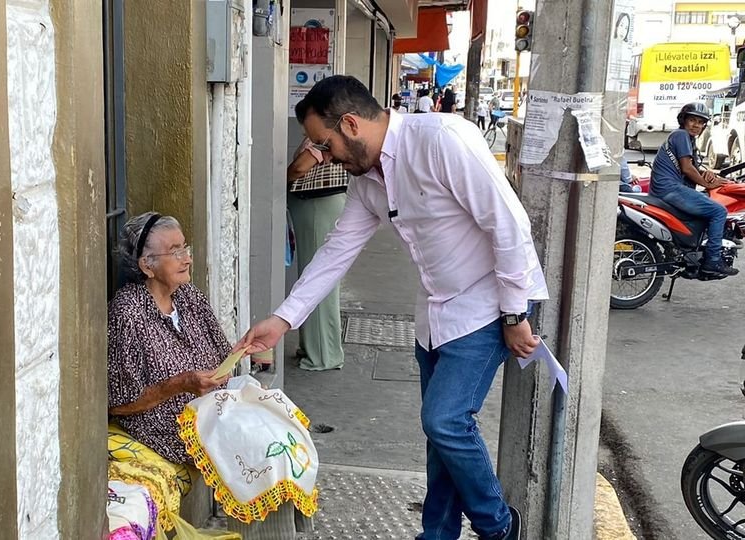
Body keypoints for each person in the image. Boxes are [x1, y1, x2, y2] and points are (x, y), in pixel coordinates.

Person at [236, 75, 547, 540]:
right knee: (441, 438)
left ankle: (499, 527)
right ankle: (436, 534)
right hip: (436, 315)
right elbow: (336, 250)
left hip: (490, 305)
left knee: (445, 421)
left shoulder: (442, 139)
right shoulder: (369, 182)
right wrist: (283, 321)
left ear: (350, 124)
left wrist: (515, 315)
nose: (324, 157)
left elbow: (509, 224)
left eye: (325, 144)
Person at [108, 212, 232, 464]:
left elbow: (224, 355)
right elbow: (118, 403)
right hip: (168, 430)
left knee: (280, 428)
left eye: (185, 247)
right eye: (175, 252)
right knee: (262, 448)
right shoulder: (128, 311)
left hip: (214, 414)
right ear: (147, 265)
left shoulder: (189, 296)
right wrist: (180, 384)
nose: (186, 258)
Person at [649, 102, 738, 276]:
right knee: (719, 211)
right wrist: (708, 184)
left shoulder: (686, 139)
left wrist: (709, 175)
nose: (696, 125)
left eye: (700, 122)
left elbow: (693, 168)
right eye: (692, 120)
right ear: (684, 120)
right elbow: (687, 169)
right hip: (670, 189)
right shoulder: (681, 135)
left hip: (667, 190)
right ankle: (712, 261)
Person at [285, 137, 347, 370]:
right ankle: (313, 346)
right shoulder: (331, 127)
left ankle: (322, 354)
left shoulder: (324, 131)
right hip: (319, 205)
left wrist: (282, 177)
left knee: (316, 278)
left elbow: (301, 167)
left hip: (316, 205)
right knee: (314, 276)